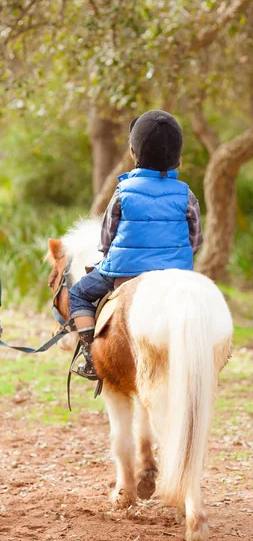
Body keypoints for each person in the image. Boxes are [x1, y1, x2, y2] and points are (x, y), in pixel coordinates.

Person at [68, 110, 203, 380]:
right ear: (178, 157)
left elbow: (106, 238)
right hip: (175, 272)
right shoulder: (185, 193)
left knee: (78, 294)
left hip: (124, 271)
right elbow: (196, 239)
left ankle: (90, 357)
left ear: (133, 152)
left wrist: (106, 259)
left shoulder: (123, 191)